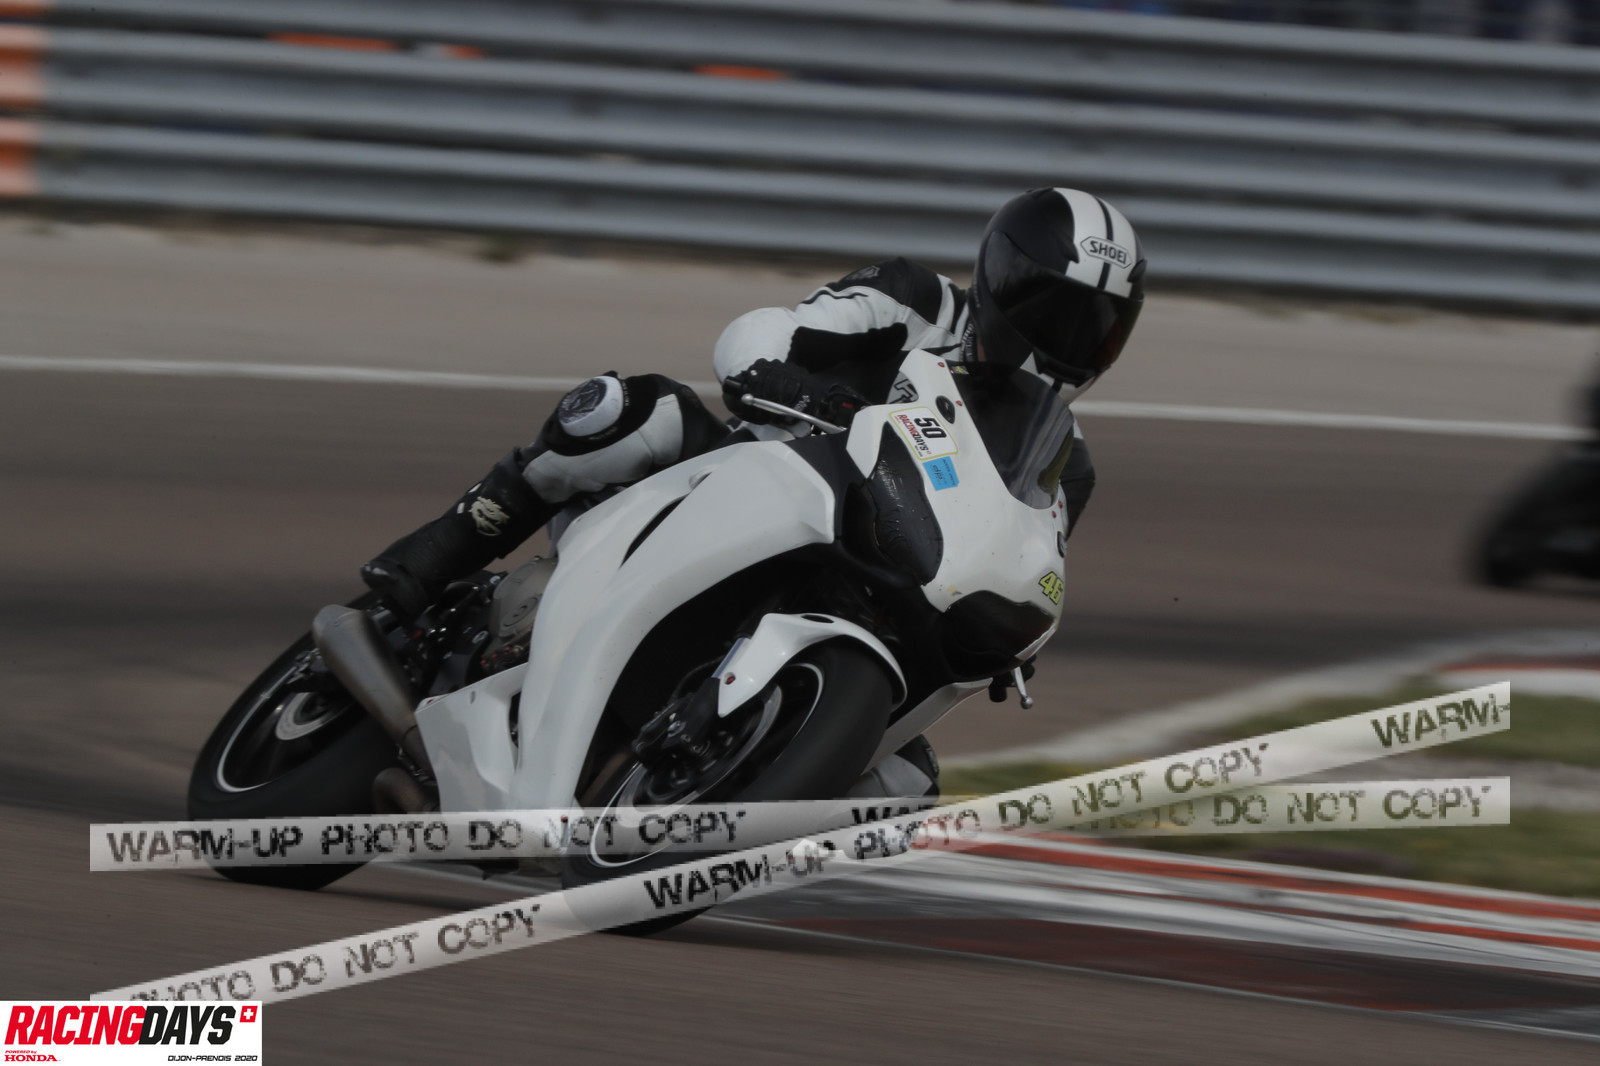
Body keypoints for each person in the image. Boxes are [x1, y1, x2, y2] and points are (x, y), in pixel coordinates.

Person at [358, 187, 1147, 795]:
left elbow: (1020, 552)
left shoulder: (1065, 462)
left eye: (1096, 327)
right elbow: (767, 332)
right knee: (627, 411)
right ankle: (441, 550)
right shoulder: (913, 300)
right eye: (1053, 312)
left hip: (871, 578)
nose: (1068, 341)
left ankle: (706, 816)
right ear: (1003, 281)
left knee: (908, 788)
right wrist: (793, 385)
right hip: (741, 482)